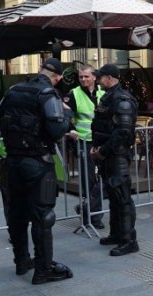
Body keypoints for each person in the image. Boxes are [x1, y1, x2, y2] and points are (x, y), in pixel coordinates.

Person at [0, 58, 73, 284]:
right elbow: (57, 129)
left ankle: (21, 261)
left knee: (17, 215)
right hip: (38, 163)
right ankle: (43, 269)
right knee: (42, 216)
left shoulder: (13, 90)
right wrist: (67, 114)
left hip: (12, 163)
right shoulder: (49, 93)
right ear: (57, 77)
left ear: (41, 70)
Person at [90, 64, 139, 256]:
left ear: (109, 78)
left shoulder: (121, 99)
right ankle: (117, 234)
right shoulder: (109, 97)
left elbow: (124, 131)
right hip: (109, 155)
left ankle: (129, 240)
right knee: (113, 196)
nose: (98, 80)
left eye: (100, 77)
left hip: (117, 154)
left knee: (122, 197)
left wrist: (103, 150)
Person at [66, 65, 105, 229]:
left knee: (103, 178)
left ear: (94, 77)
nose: (83, 79)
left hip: (101, 141)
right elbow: (66, 115)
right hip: (83, 141)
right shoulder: (73, 94)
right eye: (81, 77)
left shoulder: (103, 92)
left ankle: (85, 208)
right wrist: (71, 129)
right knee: (88, 180)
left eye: (86, 76)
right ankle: (93, 218)